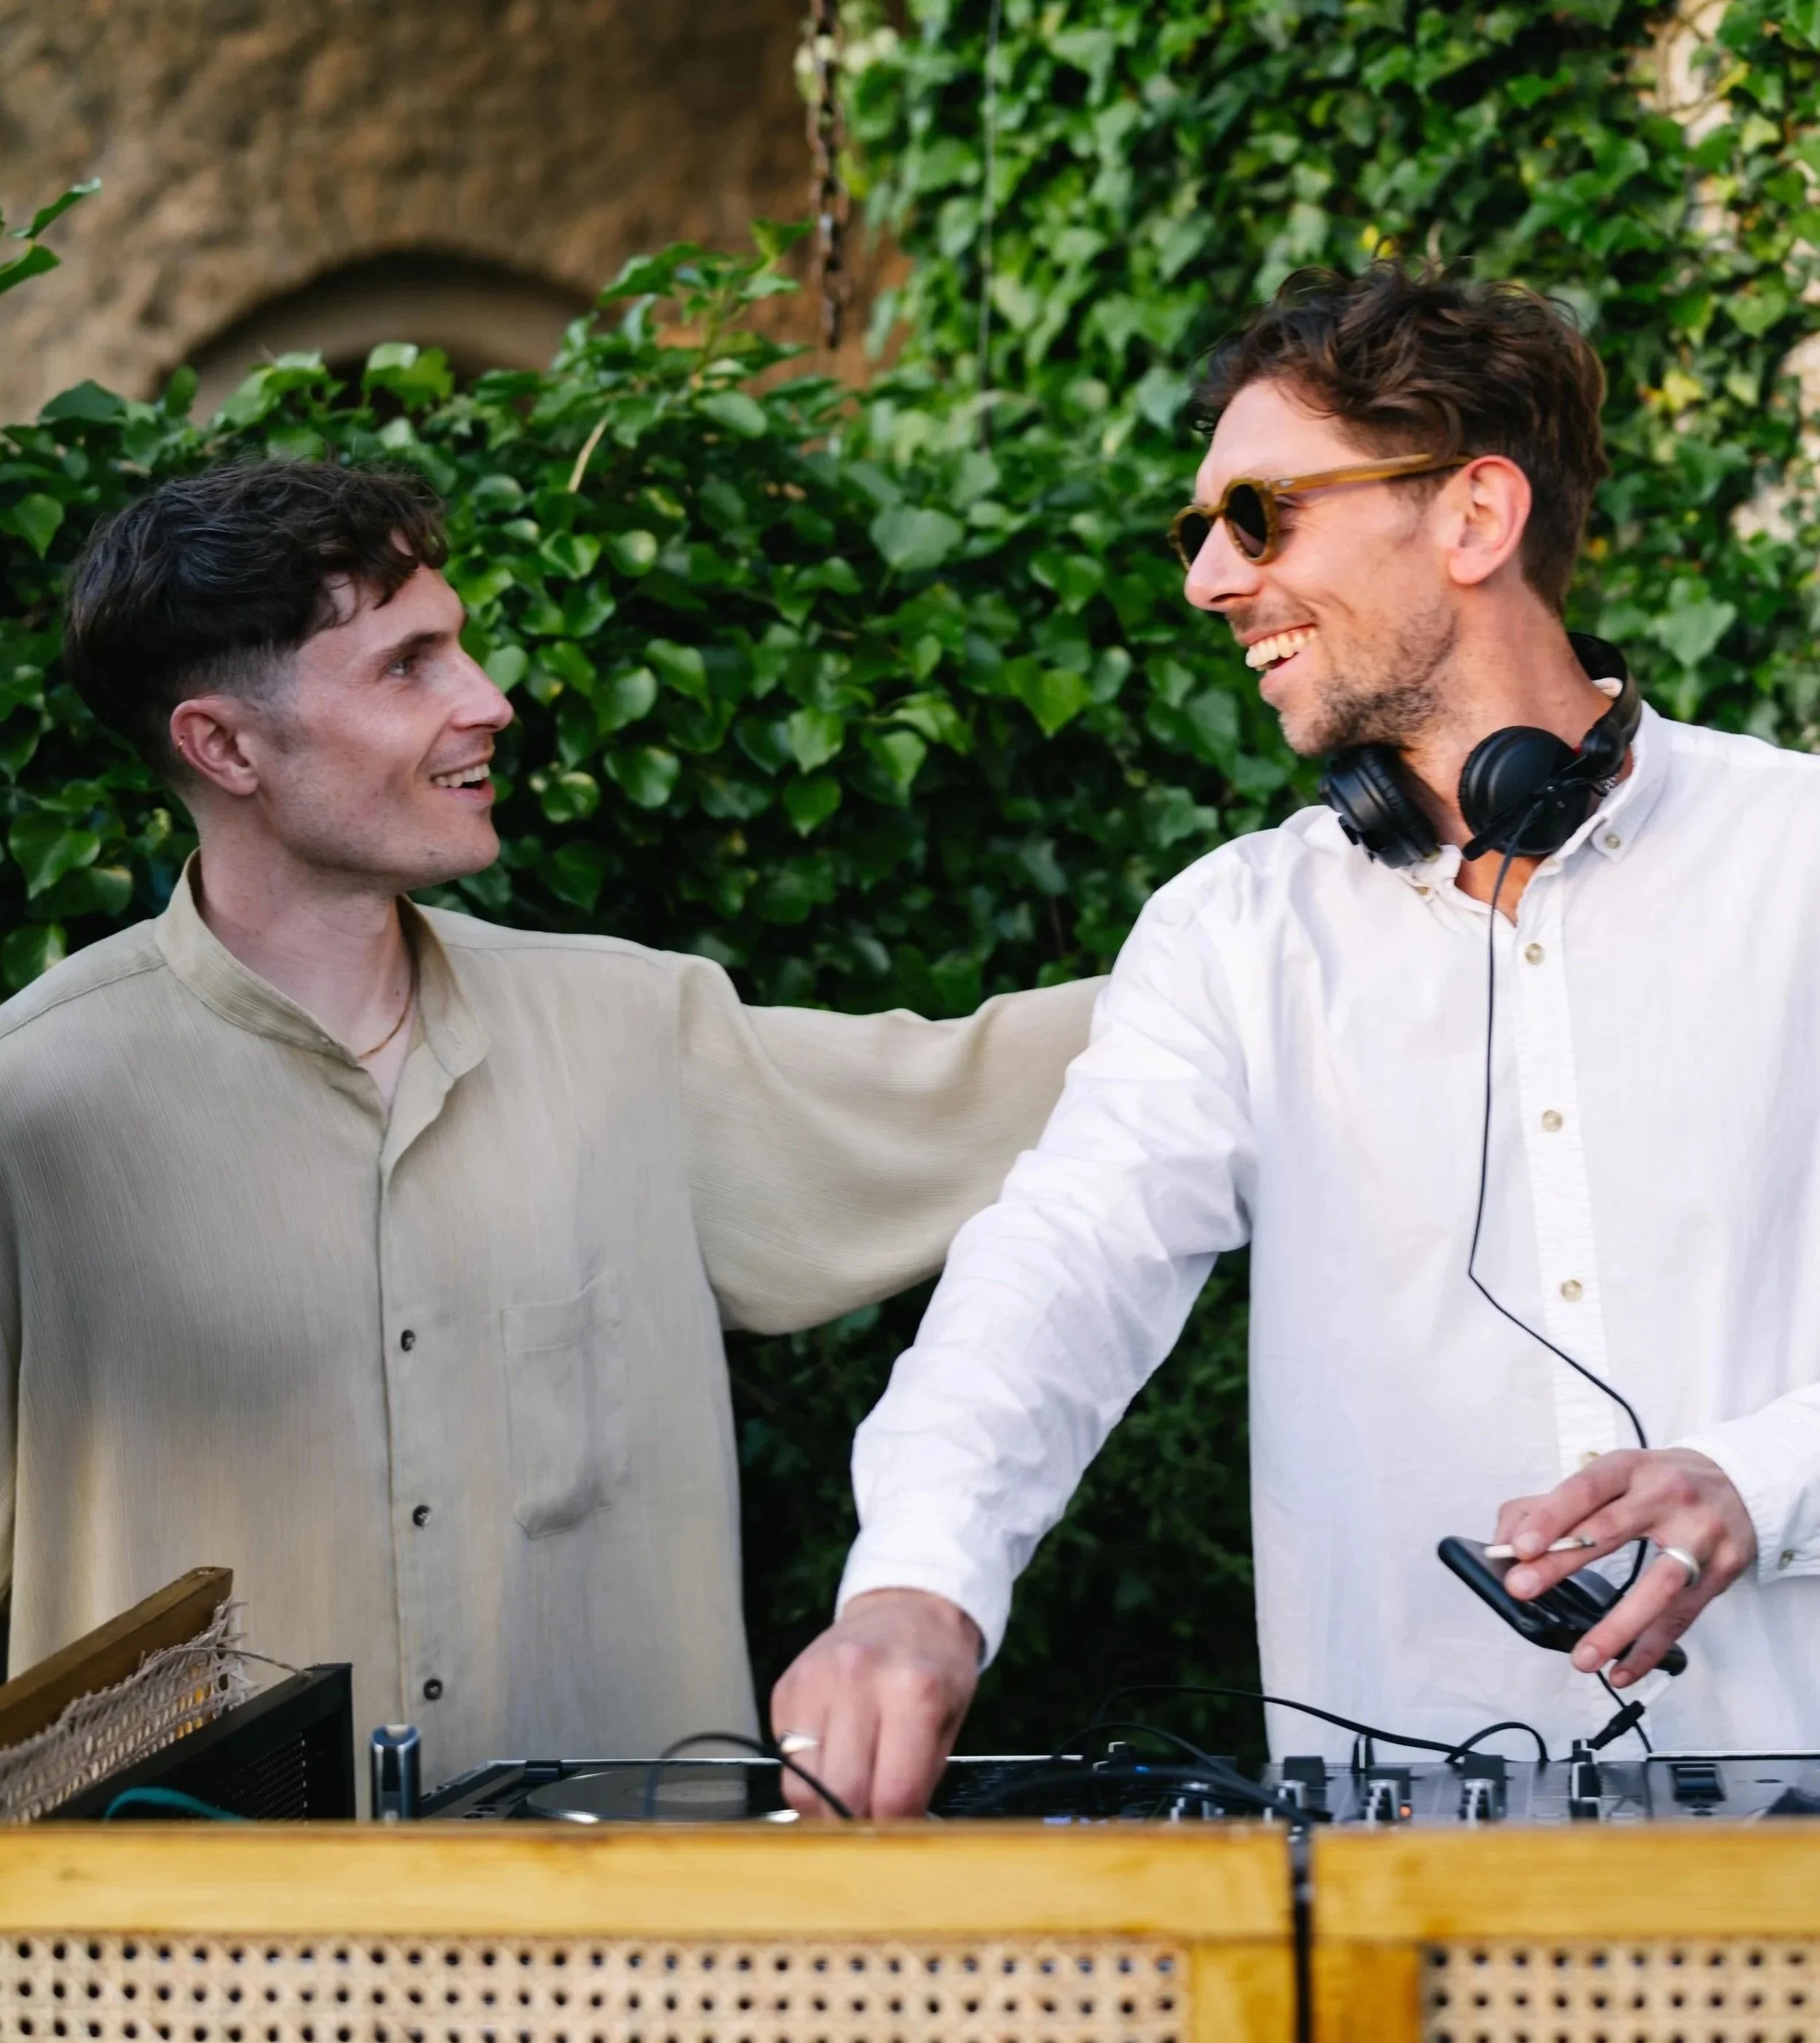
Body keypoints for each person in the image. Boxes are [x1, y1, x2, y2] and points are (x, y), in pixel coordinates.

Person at [773, 259, 1820, 1816]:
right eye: (1193, 531)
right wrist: (917, 1582)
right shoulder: (1233, 934)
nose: (1206, 578)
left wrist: (1762, 1475)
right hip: (1407, 1883)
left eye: (1258, 516)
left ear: (1472, 517)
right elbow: (1060, 1263)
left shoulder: (1797, 860)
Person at [0, 458, 1099, 1791]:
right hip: (202, 1985)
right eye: (408, 666)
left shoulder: (637, 1033)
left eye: (460, 648)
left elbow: (1000, 1084)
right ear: (223, 744)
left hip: (622, 1966)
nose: (487, 701)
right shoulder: (28, 1117)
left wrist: (1323, 919)